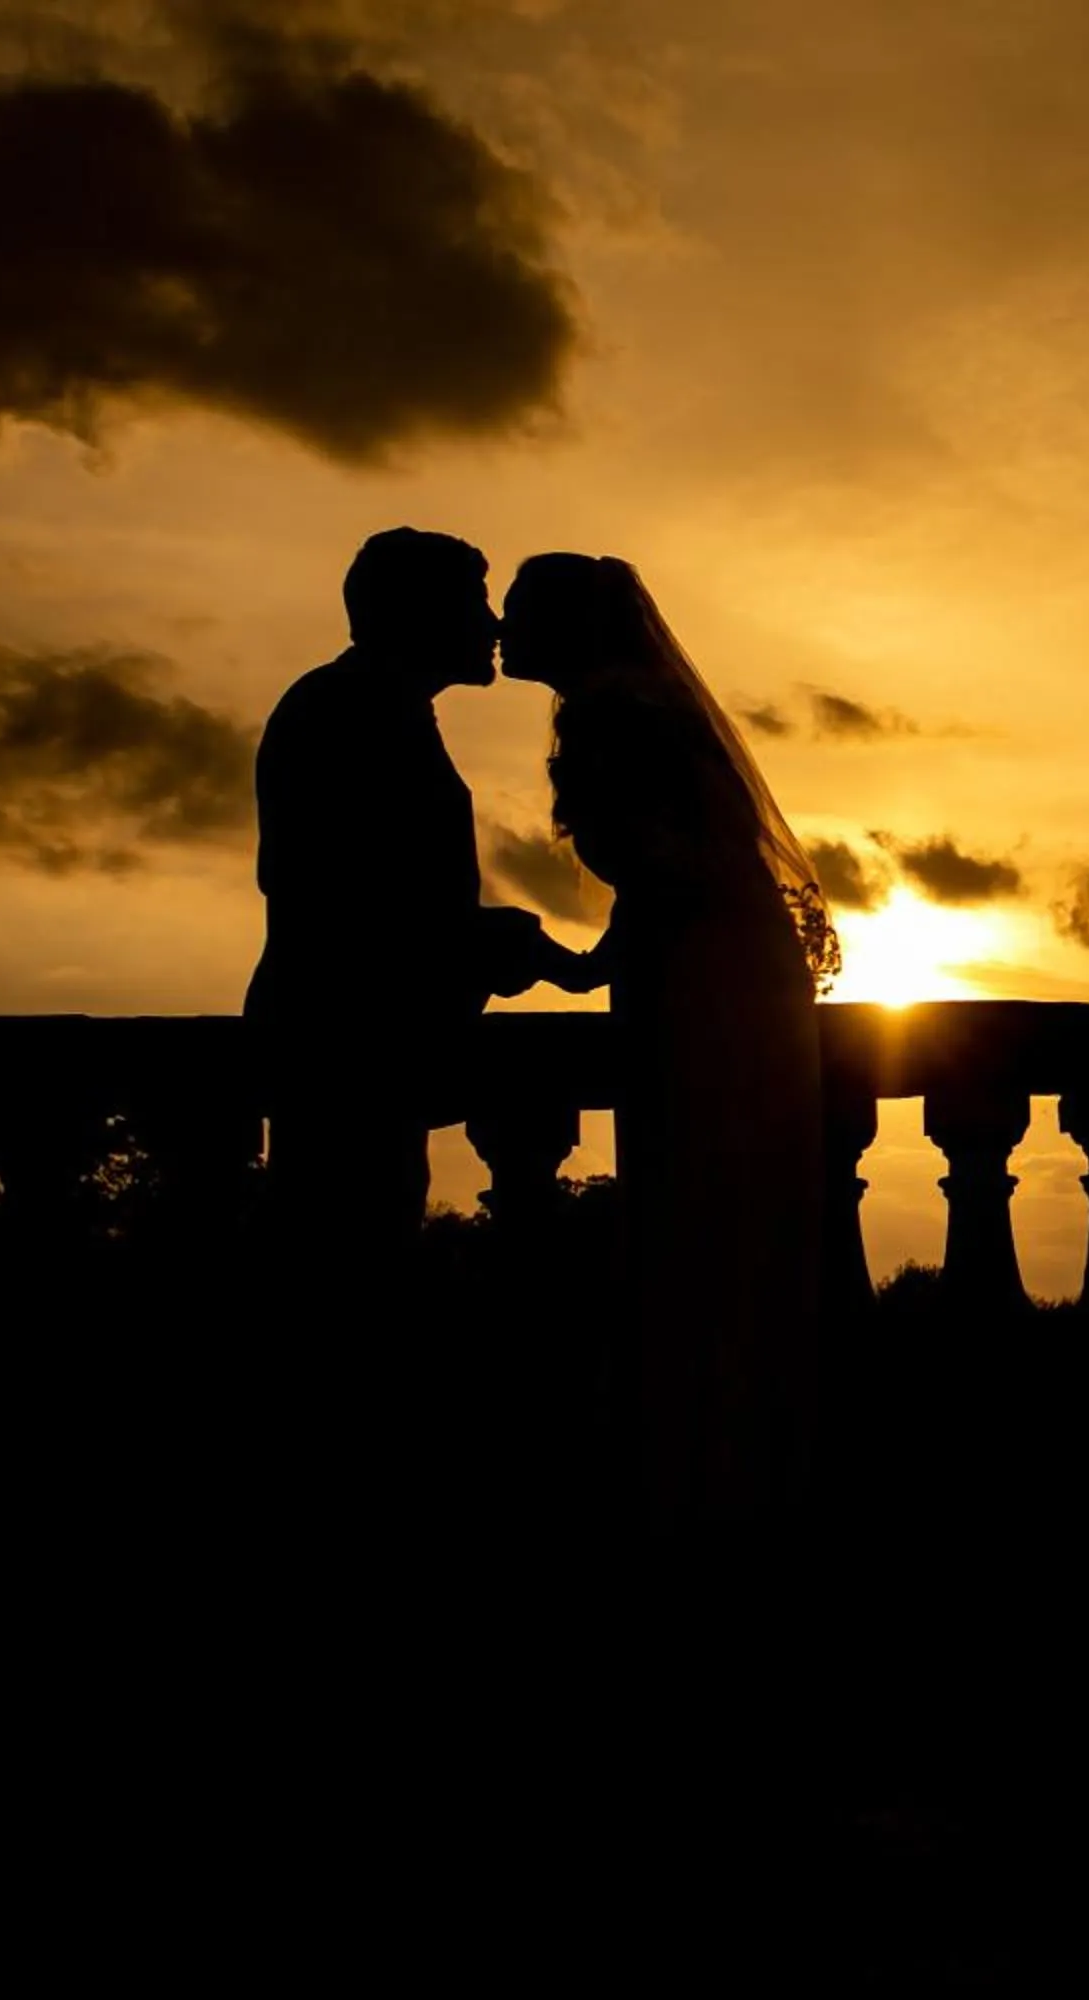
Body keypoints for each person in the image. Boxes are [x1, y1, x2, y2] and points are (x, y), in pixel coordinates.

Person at [497, 552, 837, 1540]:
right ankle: (728, 1464)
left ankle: (696, 1477)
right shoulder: (633, 700)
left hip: (701, 984)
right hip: (718, 969)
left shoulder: (612, 709)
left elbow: (675, 858)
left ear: (568, 625)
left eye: (517, 613)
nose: (500, 630)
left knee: (699, 1200)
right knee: (726, 1210)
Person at [246, 527, 593, 1328]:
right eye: (473, 602)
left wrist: (493, 941)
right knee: (341, 1278)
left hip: (358, 1051)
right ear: (418, 613)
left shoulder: (368, 707)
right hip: (342, 1049)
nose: (493, 625)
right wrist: (499, 944)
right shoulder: (346, 712)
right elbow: (345, 906)